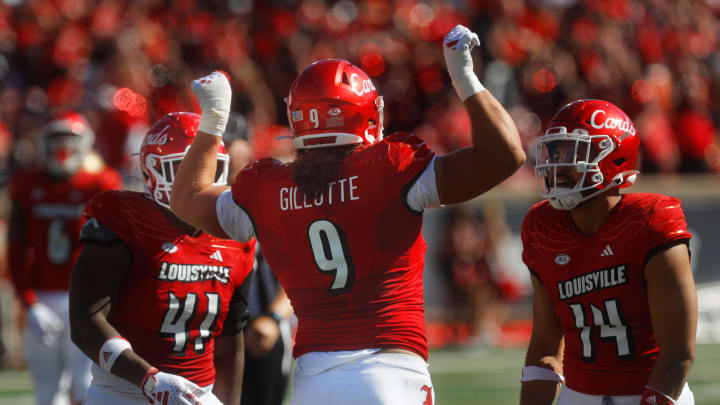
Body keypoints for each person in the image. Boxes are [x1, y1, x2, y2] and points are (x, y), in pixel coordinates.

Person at [171, 25, 525, 405]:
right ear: (366, 114)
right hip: (391, 372)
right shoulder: (392, 165)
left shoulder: (267, 185)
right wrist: (465, 78)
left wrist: (213, 121)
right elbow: (506, 155)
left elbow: (187, 201)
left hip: (313, 383)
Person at [68, 112, 256, 405]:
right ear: (153, 170)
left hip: (199, 394)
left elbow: (230, 340)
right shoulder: (125, 222)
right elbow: (85, 322)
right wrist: (149, 380)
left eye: (208, 167)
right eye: (182, 168)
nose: (197, 179)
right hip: (123, 393)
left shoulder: (233, 237)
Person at [519, 99, 697, 405]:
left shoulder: (649, 221)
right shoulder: (542, 228)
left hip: (653, 392)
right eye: (555, 153)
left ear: (613, 158)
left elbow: (678, 354)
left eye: (571, 154)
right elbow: (546, 347)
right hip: (578, 396)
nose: (557, 167)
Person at [7, 111, 122, 405]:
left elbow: (117, 249)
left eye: (69, 140)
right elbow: (16, 247)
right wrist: (28, 301)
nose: (63, 148)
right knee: (47, 392)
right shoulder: (27, 184)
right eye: (56, 140)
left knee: (86, 386)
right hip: (43, 297)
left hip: (87, 299)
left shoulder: (100, 182)